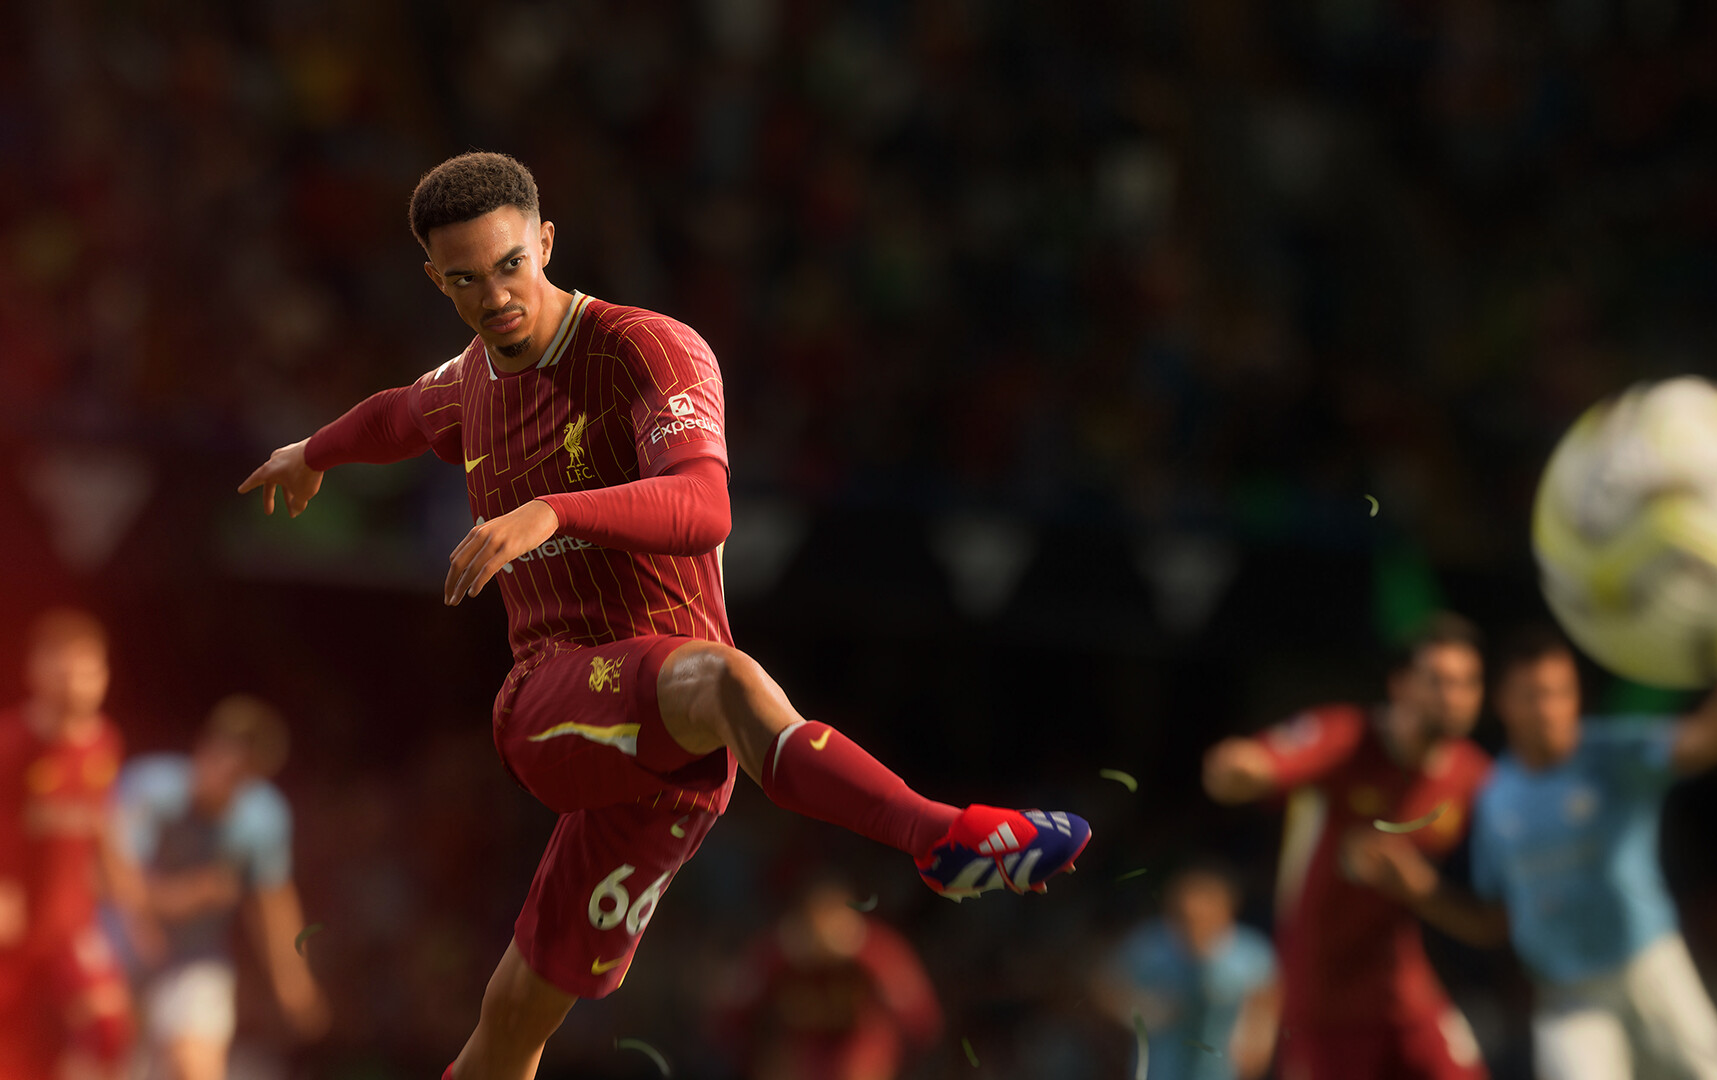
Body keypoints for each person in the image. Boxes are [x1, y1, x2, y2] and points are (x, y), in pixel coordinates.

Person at [236, 151, 1090, 1080]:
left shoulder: (647, 349)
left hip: (677, 771)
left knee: (514, 1021)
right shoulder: (467, 383)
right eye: (467, 279)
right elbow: (398, 415)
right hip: (553, 697)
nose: (497, 296)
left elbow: (705, 506)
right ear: (438, 280)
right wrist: (312, 452)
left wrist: (553, 510)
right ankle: (940, 837)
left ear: (545, 242)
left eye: (511, 265)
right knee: (721, 678)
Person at [1343, 626, 1717, 1080]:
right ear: (1504, 702)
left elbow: (1708, 742)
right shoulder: (1493, 795)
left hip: (1650, 970)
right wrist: (1418, 888)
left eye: (1559, 692)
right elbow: (1492, 922)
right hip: (1568, 998)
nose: (1548, 708)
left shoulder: (1611, 755)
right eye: (1532, 695)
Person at [1201, 612, 1492, 1080]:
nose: (1453, 697)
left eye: (1467, 683)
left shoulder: (1474, 777)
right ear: (1400, 685)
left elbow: (1491, 917)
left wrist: (1419, 888)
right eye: (1438, 681)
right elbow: (1260, 765)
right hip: (1323, 1005)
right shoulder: (1346, 737)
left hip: (1407, 993)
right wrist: (1238, 769)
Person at [115, 693, 330, 1080]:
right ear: (203, 745)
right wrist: (177, 900)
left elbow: (272, 901)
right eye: (220, 755)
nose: (223, 771)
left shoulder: (263, 818)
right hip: (118, 950)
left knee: (194, 1068)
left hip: (195, 961)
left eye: (240, 769)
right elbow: (110, 870)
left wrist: (293, 982)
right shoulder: (148, 786)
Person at [0, 608, 142, 1080]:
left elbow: (101, 823)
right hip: (12, 927)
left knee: (108, 1028)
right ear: (35, 672)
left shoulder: (104, 741)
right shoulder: (10, 741)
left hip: (71, 924)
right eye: (64, 673)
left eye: (87, 673)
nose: (76, 686)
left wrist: (131, 902)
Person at [710, 877, 942, 1080]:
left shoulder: (877, 952)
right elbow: (731, 1016)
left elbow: (920, 1017)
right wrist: (752, 1058)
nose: (824, 933)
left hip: (859, 1050)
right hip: (800, 1051)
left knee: (860, 1057)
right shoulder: (776, 954)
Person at [1095, 863, 1280, 1080]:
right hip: (1159, 1070)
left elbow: (1266, 1008)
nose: (1194, 928)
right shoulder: (1150, 947)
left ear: (1226, 911)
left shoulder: (1251, 955)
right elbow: (1106, 988)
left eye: (1204, 918)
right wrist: (1144, 1010)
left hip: (1220, 1071)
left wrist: (1256, 1043)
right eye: (1184, 918)